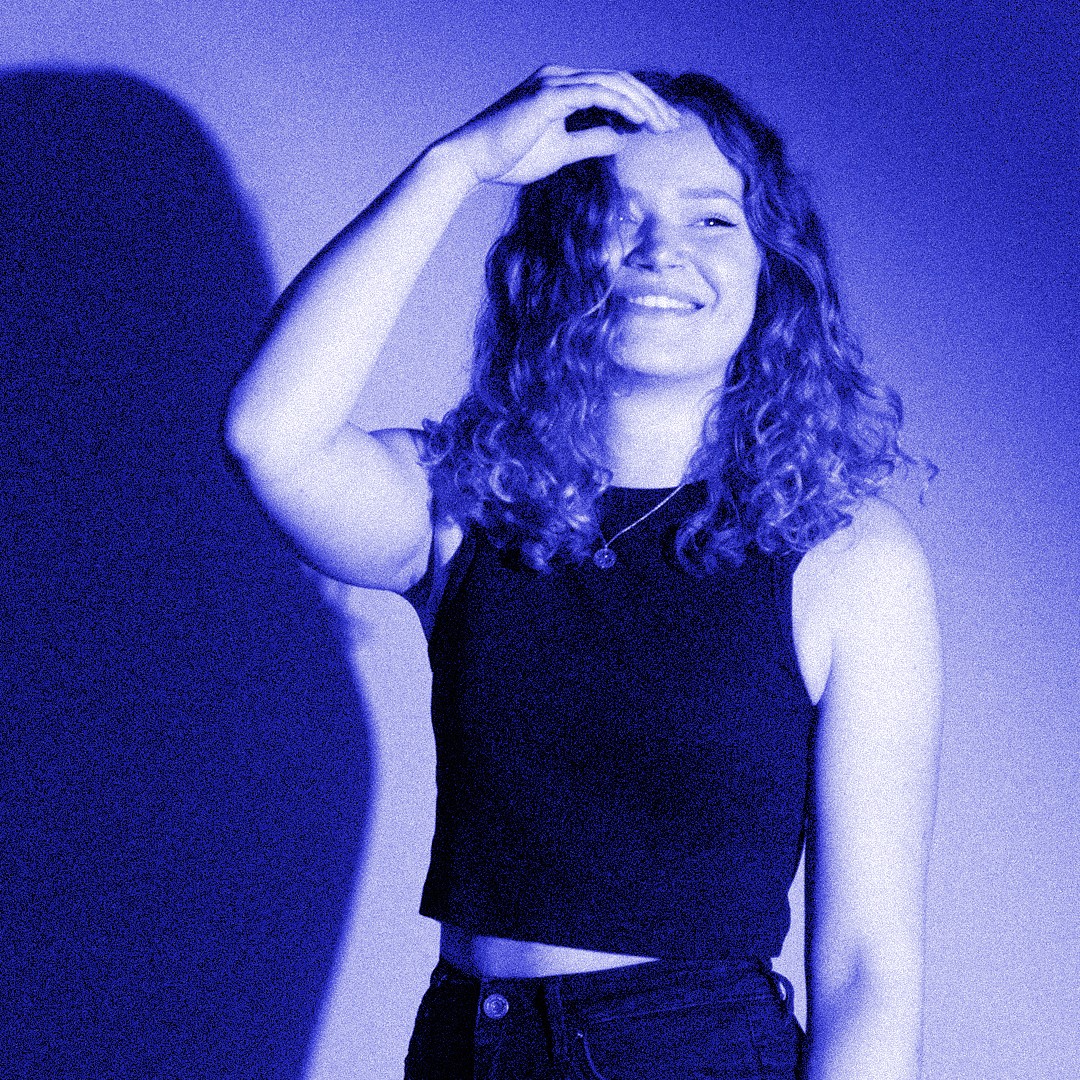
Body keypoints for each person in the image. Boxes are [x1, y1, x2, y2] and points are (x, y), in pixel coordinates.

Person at [228, 66, 942, 1080]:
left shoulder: (850, 556)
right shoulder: (468, 501)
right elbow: (268, 438)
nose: (659, 249)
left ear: (772, 272)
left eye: (712, 219)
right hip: (467, 1043)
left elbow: (870, 965)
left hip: (692, 1052)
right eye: (616, 213)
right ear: (558, 258)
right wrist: (456, 166)